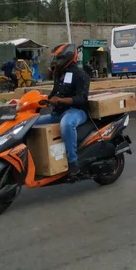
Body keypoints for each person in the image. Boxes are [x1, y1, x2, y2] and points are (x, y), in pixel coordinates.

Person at [36, 43, 90, 177]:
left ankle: (73, 162)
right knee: (32, 123)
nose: (56, 61)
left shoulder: (80, 74)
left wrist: (61, 100)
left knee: (67, 124)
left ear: (69, 58)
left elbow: (82, 99)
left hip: (76, 111)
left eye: (59, 58)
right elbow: (54, 93)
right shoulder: (59, 74)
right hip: (58, 112)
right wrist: (43, 99)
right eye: (56, 58)